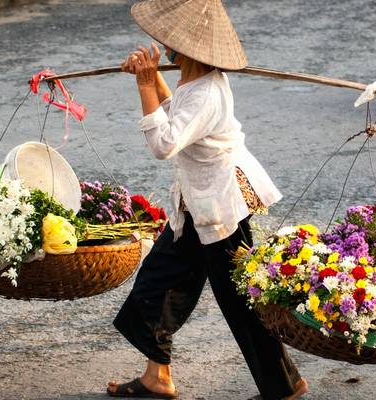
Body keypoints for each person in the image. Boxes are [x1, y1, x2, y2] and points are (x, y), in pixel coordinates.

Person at [107, 1, 308, 399]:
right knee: (159, 281)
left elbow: (165, 142)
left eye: (169, 44)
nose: (164, 49)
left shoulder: (207, 92)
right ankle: (157, 376)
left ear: (187, 52)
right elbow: (176, 117)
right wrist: (151, 84)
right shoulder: (194, 82)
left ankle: (284, 387)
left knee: (240, 301)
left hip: (220, 208)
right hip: (194, 206)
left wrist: (146, 85)